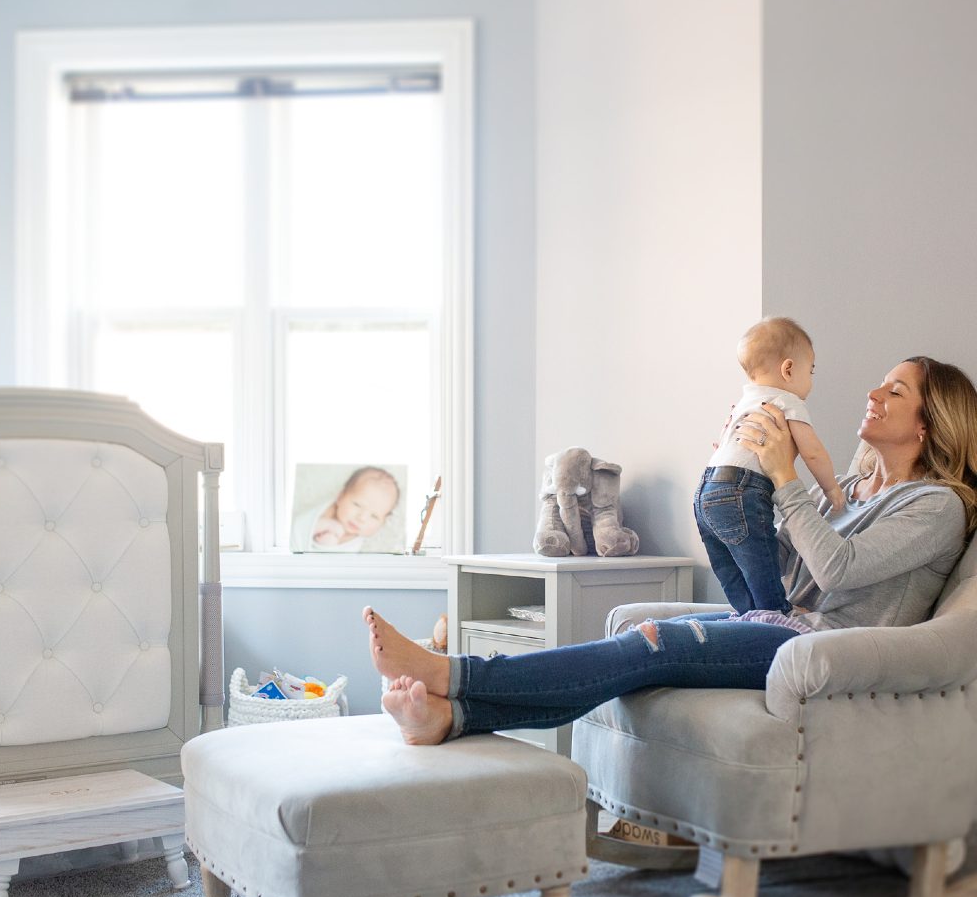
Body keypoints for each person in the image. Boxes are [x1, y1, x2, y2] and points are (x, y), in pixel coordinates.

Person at [365, 356, 977, 745]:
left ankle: (453, 675)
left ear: (929, 422)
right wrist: (742, 483)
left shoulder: (937, 506)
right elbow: (790, 568)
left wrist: (787, 477)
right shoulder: (850, 490)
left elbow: (838, 568)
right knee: (644, 637)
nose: (875, 391)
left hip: (825, 648)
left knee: (654, 643)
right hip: (784, 621)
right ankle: (454, 717)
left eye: (896, 390)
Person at [695, 317, 844, 615]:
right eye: (810, 371)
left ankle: (748, 616)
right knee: (759, 560)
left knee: (731, 569)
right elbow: (812, 452)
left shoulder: (744, 402)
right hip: (741, 489)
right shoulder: (786, 401)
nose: (811, 381)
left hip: (705, 489)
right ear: (788, 369)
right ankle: (777, 614)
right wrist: (832, 490)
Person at [291, 466, 400, 553]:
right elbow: (298, 528)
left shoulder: (356, 546)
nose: (361, 518)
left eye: (374, 516)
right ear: (340, 496)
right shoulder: (328, 512)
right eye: (357, 505)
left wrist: (328, 544)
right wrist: (324, 526)